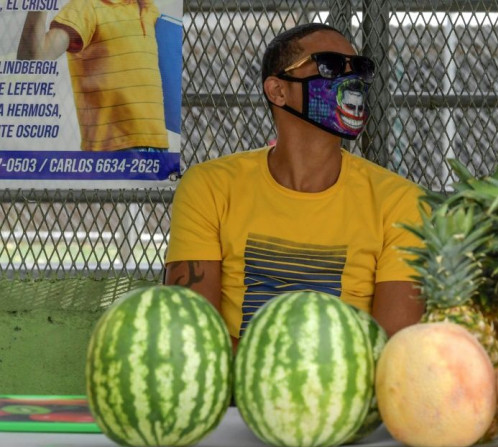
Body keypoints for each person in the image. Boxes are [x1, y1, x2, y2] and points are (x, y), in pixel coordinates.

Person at [164, 23, 426, 349]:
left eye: (359, 68)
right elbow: (189, 332)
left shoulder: (402, 203)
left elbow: (393, 350)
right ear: (278, 91)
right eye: (330, 65)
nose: (352, 80)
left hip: (347, 396)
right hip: (231, 396)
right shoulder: (209, 188)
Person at [16, 0, 169, 152]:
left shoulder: (148, 8)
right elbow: (34, 58)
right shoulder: (85, 6)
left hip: (158, 147)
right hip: (114, 151)